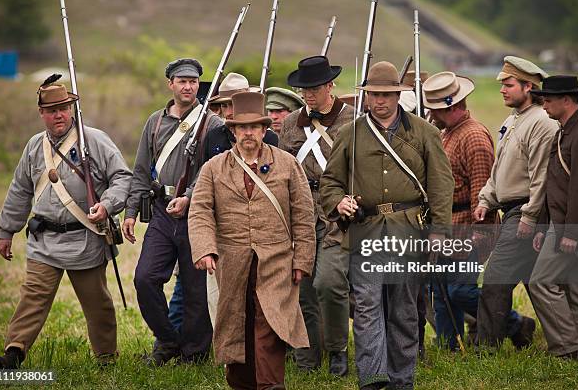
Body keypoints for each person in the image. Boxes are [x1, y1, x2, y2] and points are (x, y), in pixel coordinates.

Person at [321, 61, 454, 389]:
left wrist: (439, 231)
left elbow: (440, 185)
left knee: (404, 310)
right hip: (365, 232)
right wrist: (338, 202)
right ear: (366, 96)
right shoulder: (349, 133)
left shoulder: (425, 133)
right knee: (366, 309)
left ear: (397, 95)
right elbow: (330, 182)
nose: (379, 100)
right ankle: (372, 380)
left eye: (386, 94)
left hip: (408, 233)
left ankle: (401, 380)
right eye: (374, 94)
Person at [0, 77, 132, 368]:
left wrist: (107, 205)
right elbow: (20, 189)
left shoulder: (95, 140)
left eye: (64, 108)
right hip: (44, 240)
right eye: (52, 110)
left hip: (86, 238)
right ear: (41, 113)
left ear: (72, 109)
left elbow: (122, 178)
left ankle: (106, 358)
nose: (59, 115)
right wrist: (6, 231)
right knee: (32, 299)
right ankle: (13, 355)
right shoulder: (34, 146)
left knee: (97, 305)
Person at [190, 91, 315, 389]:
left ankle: (271, 386)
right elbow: (200, 212)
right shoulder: (213, 168)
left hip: (277, 259)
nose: (248, 133)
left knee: (269, 324)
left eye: (254, 127)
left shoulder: (287, 164)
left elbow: (303, 216)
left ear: (264, 129)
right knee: (236, 325)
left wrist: (303, 260)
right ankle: (242, 385)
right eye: (241, 128)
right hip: (231, 261)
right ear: (232, 132)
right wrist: (205, 248)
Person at [423, 71, 530, 350]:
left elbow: (481, 191)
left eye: (436, 109)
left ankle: (516, 323)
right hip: (448, 225)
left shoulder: (473, 136)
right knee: (442, 291)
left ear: (451, 106)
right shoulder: (446, 133)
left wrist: (480, 234)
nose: (431, 114)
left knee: (460, 290)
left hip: (468, 227)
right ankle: (450, 345)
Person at [124, 58, 220, 365]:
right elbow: (140, 171)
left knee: (195, 288)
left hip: (198, 212)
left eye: (193, 82)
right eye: (182, 81)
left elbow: (214, 170)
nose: (188, 86)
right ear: (171, 84)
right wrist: (129, 212)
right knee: (145, 278)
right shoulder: (154, 122)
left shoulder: (212, 124)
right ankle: (168, 340)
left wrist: (191, 197)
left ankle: (194, 354)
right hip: (162, 211)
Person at [473, 56, 558, 348]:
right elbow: (501, 170)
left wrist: (529, 217)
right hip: (512, 210)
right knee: (538, 284)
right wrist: (487, 199)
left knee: (496, 281)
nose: (502, 90)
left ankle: (486, 349)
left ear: (528, 86)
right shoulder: (513, 120)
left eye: (509, 85)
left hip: (525, 212)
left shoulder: (542, 122)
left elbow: (541, 177)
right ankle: (555, 339)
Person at [279, 55, 355, 375]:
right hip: (300, 215)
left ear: (329, 86)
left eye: (313, 88)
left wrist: (350, 200)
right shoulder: (290, 124)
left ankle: (337, 349)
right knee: (304, 289)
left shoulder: (352, 121)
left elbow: (361, 169)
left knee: (329, 282)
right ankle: (308, 356)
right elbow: (283, 170)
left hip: (336, 216)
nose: (308, 95)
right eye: (304, 89)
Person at [528, 75, 578, 358]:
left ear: (566, 100)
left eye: (548, 100)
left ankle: (567, 347)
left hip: (571, 228)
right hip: (562, 225)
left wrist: (571, 233)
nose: (543, 105)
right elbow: (555, 186)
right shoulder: (566, 131)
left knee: (540, 282)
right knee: (576, 290)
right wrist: (543, 226)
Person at [201, 72, 279, 327]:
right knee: (219, 298)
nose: (226, 110)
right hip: (224, 230)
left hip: (262, 232)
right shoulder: (213, 136)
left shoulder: (272, 141)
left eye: (231, 104)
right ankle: (226, 354)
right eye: (222, 105)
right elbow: (204, 188)